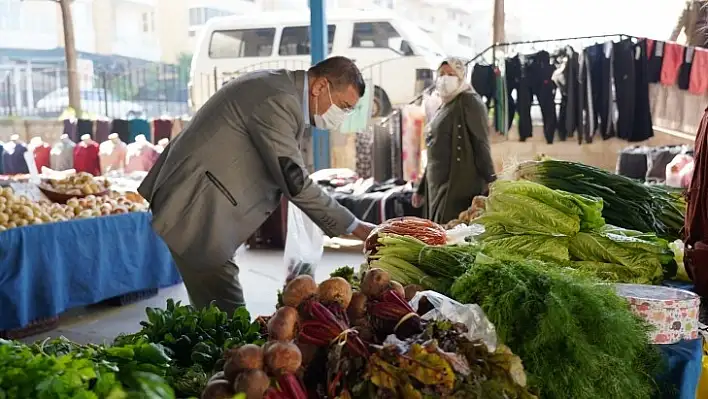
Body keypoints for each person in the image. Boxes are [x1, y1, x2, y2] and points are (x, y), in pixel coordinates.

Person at [138, 56, 375, 314]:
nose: (342, 116)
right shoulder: (279, 100)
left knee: (213, 314)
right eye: (343, 106)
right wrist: (357, 227)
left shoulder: (280, 89)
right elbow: (294, 181)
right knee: (227, 316)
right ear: (320, 87)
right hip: (196, 209)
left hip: (202, 204)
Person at [411, 57, 496, 224]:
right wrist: (420, 188)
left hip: (457, 185)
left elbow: (481, 143)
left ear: (461, 76)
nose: (444, 78)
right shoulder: (444, 105)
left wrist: (492, 180)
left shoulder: (470, 101)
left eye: (451, 74)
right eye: (441, 74)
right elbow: (434, 147)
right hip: (437, 184)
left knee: (450, 233)